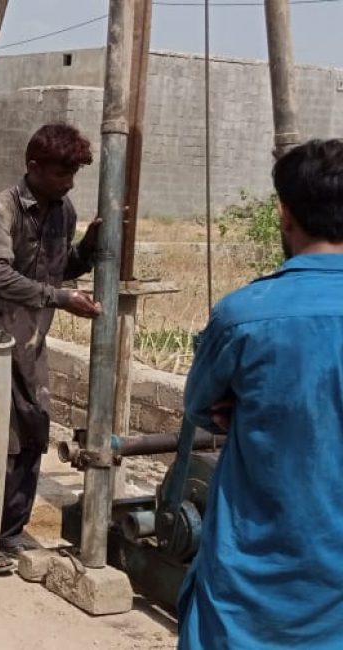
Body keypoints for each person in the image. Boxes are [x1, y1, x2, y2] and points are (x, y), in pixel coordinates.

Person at [178, 138, 343, 649]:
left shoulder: (246, 314)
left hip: (251, 580)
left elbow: (200, 406)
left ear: (284, 213)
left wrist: (241, 410)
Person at [0, 123, 102, 573]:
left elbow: (59, 269)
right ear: (33, 167)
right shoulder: (3, 210)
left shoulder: (64, 212)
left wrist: (90, 248)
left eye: (74, 173)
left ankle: (8, 534)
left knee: (34, 432)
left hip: (29, 341)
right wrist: (59, 299)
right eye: (62, 172)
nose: (69, 182)